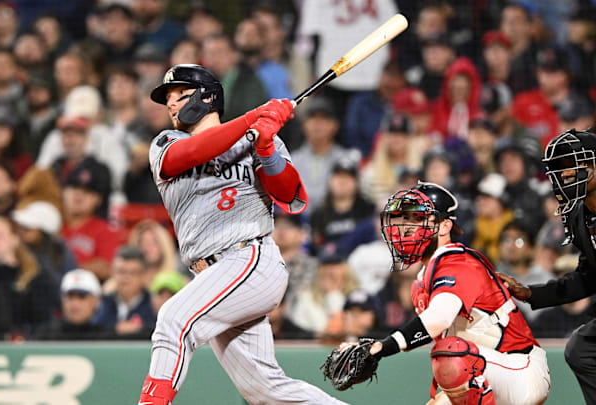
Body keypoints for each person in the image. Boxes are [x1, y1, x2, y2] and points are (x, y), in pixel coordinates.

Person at [138, 64, 348, 405]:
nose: (171, 105)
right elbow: (190, 154)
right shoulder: (166, 142)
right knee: (265, 390)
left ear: (207, 96)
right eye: (168, 100)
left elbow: (291, 195)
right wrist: (253, 121)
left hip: (251, 258)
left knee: (174, 320)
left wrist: (265, 148)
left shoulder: (260, 135)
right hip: (214, 275)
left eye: (179, 95)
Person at [342, 182, 550, 405]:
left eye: (418, 219)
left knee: (452, 356)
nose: (407, 227)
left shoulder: (458, 261)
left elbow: (438, 320)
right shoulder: (423, 279)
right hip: (483, 372)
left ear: (444, 226)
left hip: (519, 369)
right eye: (405, 219)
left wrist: (381, 347)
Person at [498, 129, 596, 405]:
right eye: (559, 168)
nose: (565, 174)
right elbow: (587, 279)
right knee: (581, 348)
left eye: (574, 164)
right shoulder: (579, 217)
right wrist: (530, 293)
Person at [30, 268, 111, 340]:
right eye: (70, 297)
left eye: (82, 297)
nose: (75, 304)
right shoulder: (45, 337)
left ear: (96, 301)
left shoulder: (108, 338)